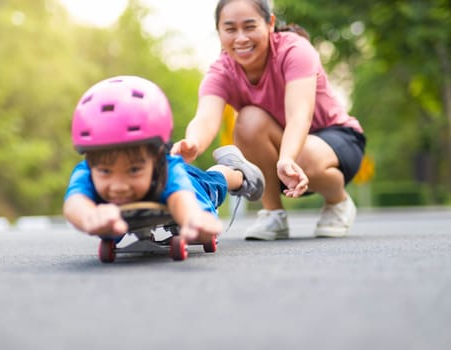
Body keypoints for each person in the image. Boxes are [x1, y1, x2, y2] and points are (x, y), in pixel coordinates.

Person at [171, 0, 366, 240]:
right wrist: (193, 143)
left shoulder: (295, 50)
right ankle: (273, 214)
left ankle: (338, 203)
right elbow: (205, 118)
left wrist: (286, 159)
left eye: (250, 26)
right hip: (282, 157)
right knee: (248, 120)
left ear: (270, 23)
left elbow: (299, 115)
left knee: (304, 156)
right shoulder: (221, 71)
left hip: (336, 139)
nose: (241, 38)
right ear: (219, 32)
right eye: (230, 29)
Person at [63, 75, 265, 243]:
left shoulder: (168, 169)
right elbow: (74, 202)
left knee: (212, 184)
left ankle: (236, 172)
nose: (119, 186)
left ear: (158, 157)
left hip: (189, 185)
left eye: (134, 170)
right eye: (105, 172)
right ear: (90, 162)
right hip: (153, 193)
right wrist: (89, 217)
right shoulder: (86, 170)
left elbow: (182, 199)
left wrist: (192, 219)